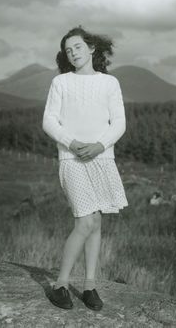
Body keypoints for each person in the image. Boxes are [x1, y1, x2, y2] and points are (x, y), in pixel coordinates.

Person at [42, 25, 129, 311]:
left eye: (77, 47)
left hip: (101, 158)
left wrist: (100, 145)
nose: (73, 53)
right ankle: (60, 285)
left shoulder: (109, 83)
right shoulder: (61, 83)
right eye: (68, 50)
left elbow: (118, 123)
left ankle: (90, 286)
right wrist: (72, 142)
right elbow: (49, 122)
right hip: (72, 159)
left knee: (96, 223)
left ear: (91, 48)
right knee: (85, 221)